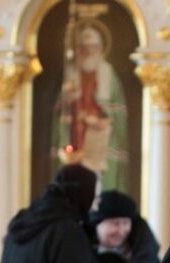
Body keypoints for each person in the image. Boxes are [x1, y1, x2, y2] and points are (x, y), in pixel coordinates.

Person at [56, 19, 128, 190]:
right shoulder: (71, 74)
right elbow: (60, 111)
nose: (88, 51)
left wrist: (97, 120)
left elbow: (118, 112)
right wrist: (68, 100)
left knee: (100, 186)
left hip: (100, 139)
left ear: (100, 48)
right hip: (77, 138)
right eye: (84, 47)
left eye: (93, 47)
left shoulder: (109, 75)